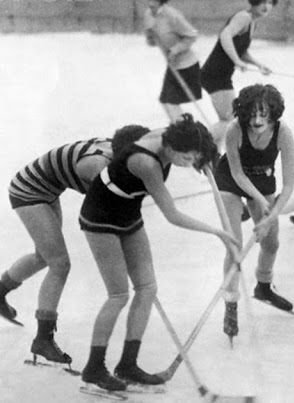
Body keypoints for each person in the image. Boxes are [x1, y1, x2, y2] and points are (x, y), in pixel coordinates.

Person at [78, 114, 238, 392]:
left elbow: (197, 144)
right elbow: (172, 215)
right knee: (118, 295)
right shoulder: (146, 163)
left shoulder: (173, 136)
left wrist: (203, 157)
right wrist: (218, 232)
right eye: (187, 160)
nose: (189, 165)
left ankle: (127, 365)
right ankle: (94, 368)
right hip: (100, 217)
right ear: (173, 150)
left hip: (127, 211)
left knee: (147, 288)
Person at [0, 128, 146, 367]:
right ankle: (43, 340)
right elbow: (101, 207)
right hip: (29, 191)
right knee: (60, 264)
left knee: (43, 257)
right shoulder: (97, 165)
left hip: (46, 188)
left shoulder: (119, 150)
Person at [214, 83, 294, 341]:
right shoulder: (234, 130)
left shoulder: (284, 133)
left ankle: (263, 286)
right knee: (234, 246)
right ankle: (231, 302)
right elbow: (237, 173)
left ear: (273, 113)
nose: (257, 120)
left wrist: (270, 216)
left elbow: (290, 184)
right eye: (251, 114)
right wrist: (261, 201)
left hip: (262, 178)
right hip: (230, 180)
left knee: (271, 242)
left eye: (263, 114)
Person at [200, 0, 277, 142]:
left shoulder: (253, 22)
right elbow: (225, 35)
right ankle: (197, 141)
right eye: (263, 2)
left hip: (221, 75)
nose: (266, 6)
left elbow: (240, 49)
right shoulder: (244, 17)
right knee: (232, 121)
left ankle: (213, 155)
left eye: (271, 2)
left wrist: (258, 65)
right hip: (215, 75)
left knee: (228, 120)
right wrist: (236, 61)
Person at [144, 0, 202, 122]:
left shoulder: (172, 15)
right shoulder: (148, 15)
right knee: (165, 102)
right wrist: (149, 36)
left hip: (188, 65)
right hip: (173, 66)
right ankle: (180, 130)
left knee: (170, 103)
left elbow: (192, 35)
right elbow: (152, 42)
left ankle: (184, 131)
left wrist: (175, 50)